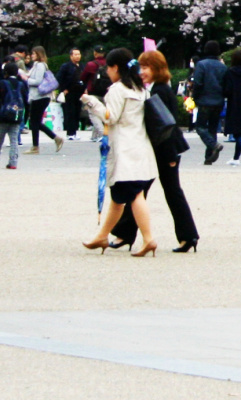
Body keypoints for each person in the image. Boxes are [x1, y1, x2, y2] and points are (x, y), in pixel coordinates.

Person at [111, 50, 199, 253]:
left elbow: (165, 126)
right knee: (144, 192)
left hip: (164, 150)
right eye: (140, 67)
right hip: (162, 149)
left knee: (154, 192)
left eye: (146, 67)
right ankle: (187, 235)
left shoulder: (160, 91)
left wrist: (169, 156)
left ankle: (126, 234)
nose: (142, 71)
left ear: (157, 69)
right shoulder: (159, 89)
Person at [81, 48, 158, 257]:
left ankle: (149, 238)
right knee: (119, 197)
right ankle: (102, 235)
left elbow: (110, 116)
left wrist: (91, 102)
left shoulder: (117, 89)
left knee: (133, 195)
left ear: (115, 67)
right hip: (140, 147)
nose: (107, 71)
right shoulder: (140, 89)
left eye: (108, 67)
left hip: (125, 150)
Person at [192, 40, 227, 164]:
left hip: (204, 101)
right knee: (212, 128)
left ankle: (214, 145)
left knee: (200, 127)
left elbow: (198, 83)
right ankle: (209, 157)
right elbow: (225, 85)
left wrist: (194, 97)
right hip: (218, 101)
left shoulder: (201, 65)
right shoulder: (223, 66)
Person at [23, 47, 63, 154]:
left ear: (39, 54)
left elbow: (37, 81)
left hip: (40, 96)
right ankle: (55, 138)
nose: (32, 55)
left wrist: (26, 80)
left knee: (34, 122)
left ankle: (36, 147)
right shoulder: (36, 65)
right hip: (38, 96)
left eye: (34, 53)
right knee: (35, 122)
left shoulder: (40, 65)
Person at [0, 61, 23, 169]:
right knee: (14, 140)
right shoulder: (21, 84)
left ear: (5, 72)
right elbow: (25, 99)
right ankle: (13, 162)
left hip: (3, 115)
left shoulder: (2, 83)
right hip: (17, 115)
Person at [57, 48, 83, 139]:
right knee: (70, 113)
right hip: (69, 93)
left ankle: (75, 132)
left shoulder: (81, 66)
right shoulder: (66, 66)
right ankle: (70, 133)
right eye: (75, 54)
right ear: (71, 56)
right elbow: (60, 78)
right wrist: (63, 89)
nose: (77, 56)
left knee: (77, 112)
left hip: (79, 93)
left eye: (79, 54)